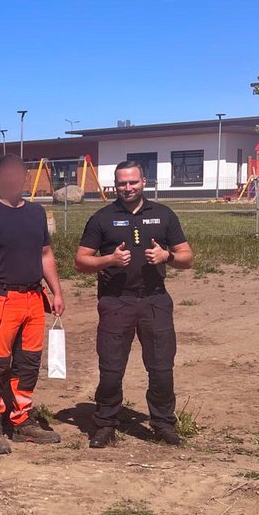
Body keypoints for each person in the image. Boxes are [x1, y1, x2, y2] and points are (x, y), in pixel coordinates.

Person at [74, 160, 194, 448]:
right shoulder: (102, 218)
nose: (127, 188)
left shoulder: (164, 215)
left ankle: (163, 423)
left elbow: (187, 258)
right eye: (122, 183)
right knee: (112, 368)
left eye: (133, 182)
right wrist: (109, 260)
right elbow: (80, 261)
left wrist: (167, 257)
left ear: (144, 182)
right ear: (115, 186)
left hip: (155, 300)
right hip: (116, 301)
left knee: (162, 367)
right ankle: (105, 424)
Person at [0, 152, 65, 454]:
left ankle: (22, 421)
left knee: (28, 364)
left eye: (18, 173)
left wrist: (57, 292)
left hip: (34, 299)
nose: (13, 179)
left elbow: (45, 255)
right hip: (0, 299)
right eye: (6, 174)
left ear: (24, 177)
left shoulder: (36, 214)